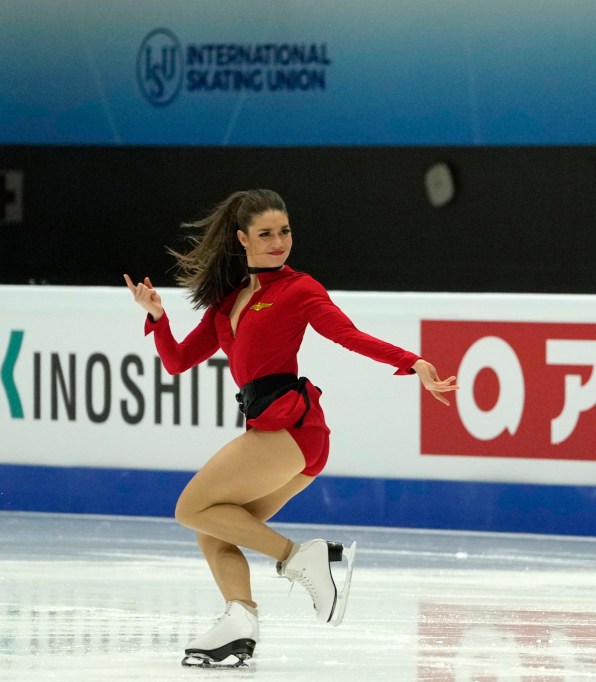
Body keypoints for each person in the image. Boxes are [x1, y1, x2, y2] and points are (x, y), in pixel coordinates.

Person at [124, 188, 458, 667]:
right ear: (242, 239)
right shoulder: (226, 305)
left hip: (293, 433)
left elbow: (349, 336)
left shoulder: (299, 289)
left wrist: (415, 362)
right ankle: (240, 619)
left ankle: (301, 558)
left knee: (190, 506)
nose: (279, 241)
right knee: (212, 531)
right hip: (281, 439)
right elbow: (177, 362)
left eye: (284, 231)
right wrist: (157, 317)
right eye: (266, 233)